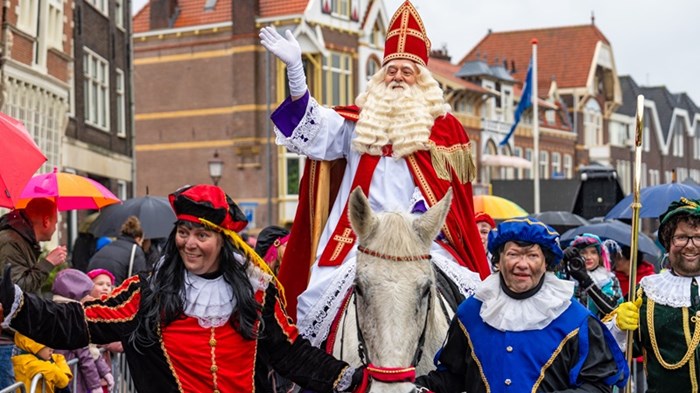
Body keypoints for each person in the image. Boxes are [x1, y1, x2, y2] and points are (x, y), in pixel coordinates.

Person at [260, 0, 488, 335]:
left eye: (406, 71)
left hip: (422, 239)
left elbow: (454, 202)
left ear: (421, 79)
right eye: (391, 70)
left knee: (466, 309)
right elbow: (310, 129)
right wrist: (296, 73)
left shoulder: (445, 129)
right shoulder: (356, 123)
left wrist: (420, 220)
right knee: (319, 301)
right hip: (359, 238)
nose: (397, 77)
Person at [0, 184, 366, 392]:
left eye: (202, 235)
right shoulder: (149, 292)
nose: (189, 243)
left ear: (223, 241)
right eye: (184, 232)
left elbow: (292, 355)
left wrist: (354, 381)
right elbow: (76, 321)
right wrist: (17, 303)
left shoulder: (258, 293)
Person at [415, 218, 628, 392]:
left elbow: (598, 386)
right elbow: (453, 377)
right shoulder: (471, 314)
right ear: (498, 261)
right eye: (513, 254)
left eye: (532, 256)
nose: (522, 264)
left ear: (546, 263)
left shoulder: (575, 319)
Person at [614, 197, 700, 392]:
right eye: (681, 237)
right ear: (668, 243)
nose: (690, 245)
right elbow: (612, 351)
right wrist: (618, 327)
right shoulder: (646, 293)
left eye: (698, 237)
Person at [0, 198, 67, 389]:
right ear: (46, 221)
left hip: (14, 336)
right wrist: (48, 264)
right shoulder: (11, 241)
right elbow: (15, 290)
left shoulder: (22, 240)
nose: (55, 227)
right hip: (6, 340)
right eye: (55, 221)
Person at [51, 269, 113, 393]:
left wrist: (105, 372)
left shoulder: (57, 312)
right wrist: (95, 386)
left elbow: (90, 350)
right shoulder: (71, 317)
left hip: (65, 375)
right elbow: (85, 354)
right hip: (71, 376)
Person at [562, 233, 623, 319]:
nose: (588, 257)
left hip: (598, 330)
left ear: (599, 256)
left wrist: (586, 281)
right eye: (583, 252)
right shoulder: (565, 275)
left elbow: (612, 309)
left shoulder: (609, 279)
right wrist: (561, 260)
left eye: (593, 252)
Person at [87, 215, 148, 286]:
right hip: (115, 290)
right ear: (138, 239)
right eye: (142, 241)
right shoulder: (135, 250)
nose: (141, 244)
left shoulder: (108, 246)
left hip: (95, 287)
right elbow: (139, 279)